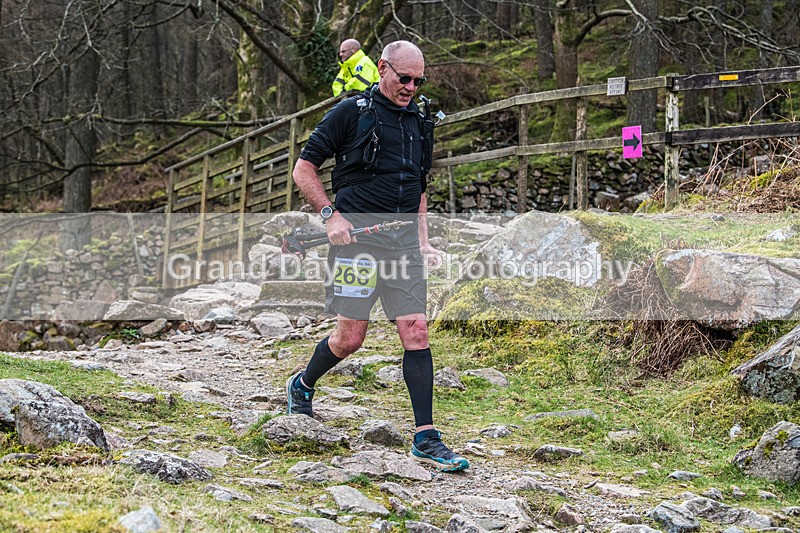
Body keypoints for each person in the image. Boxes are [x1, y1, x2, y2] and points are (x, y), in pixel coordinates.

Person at [288, 40, 469, 473]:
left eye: (418, 81)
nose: (410, 87)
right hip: (358, 242)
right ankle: (302, 383)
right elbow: (303, 168)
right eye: (404, 78)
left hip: (403, 242)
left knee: (417, 331)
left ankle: (425, 436)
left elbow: (419, 187)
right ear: (383, 68)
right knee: (351, 338)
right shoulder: (352, 111)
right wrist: (330, 217)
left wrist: (423, 242)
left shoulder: (421, 122)